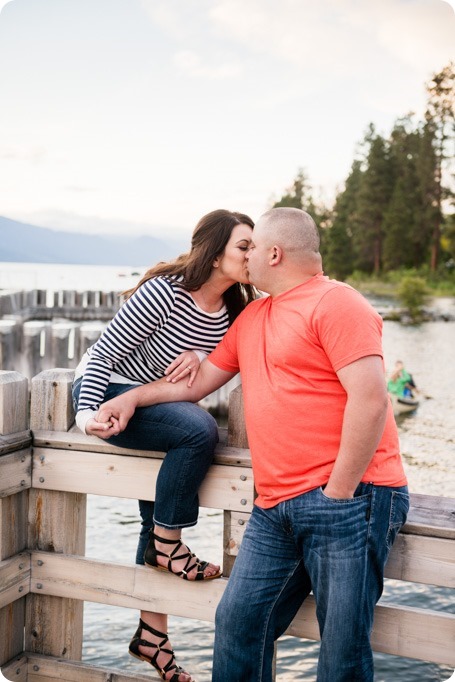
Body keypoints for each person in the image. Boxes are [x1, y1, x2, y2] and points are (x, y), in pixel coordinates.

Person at [95, 207, 409, 682]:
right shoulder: (253, 316)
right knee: (238, 624)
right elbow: (194, 386)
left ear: (276, 253)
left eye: (253, 248)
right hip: (274, 508)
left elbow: (371, 399)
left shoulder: (337, 303)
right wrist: (133, 398)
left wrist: (338, 493)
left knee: (341, 649)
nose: (248, 258)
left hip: (351, 498)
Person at [72, 209, 256, 682]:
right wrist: (86, 416)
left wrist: (201, 356)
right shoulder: (164, 293)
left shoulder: (235, 310)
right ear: (216, 255)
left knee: (154, 512)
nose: (251, 255)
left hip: (154, 402)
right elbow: (105, 353)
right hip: (109, 390)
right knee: (198, 431)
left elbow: (212, 372)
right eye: (243, 246)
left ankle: (152, 637)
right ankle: (170, 545)